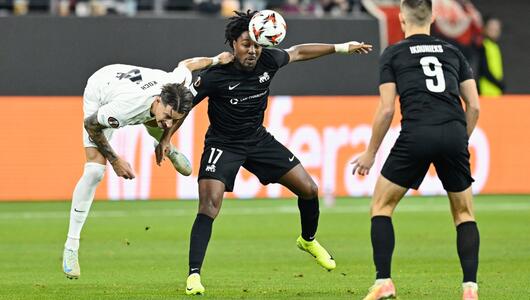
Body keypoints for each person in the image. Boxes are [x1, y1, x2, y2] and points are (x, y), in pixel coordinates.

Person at [181, 10, 373, 295]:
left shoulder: (269, 59)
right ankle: (194, 276)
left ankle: (307, 240)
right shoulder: (215, 76)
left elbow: (298, 52)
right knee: (209, 206)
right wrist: (165, 141)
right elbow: (182, 109)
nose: (253, 50)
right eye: (247, 44)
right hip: (223, 144)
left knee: (309, 188)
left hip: (258, 141)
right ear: (233, 43)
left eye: (257, 44)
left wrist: (342, 48)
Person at [62, 51, 234, 279]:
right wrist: (114, 160)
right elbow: (91, 125)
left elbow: (187, 64)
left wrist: (215, 60)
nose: (170, 122)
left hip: (136, 85)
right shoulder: (124, 109)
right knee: (94, 170)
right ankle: (71, 247)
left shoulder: (178, 85)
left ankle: (165, 146)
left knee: (159, 124)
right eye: (168, 114)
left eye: (175, 118)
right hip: (102, 90)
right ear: (158, 101)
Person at [351, 0, 480, 299]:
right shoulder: (453, 52)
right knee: (464, 214)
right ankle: (470, 289)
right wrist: (461, 138)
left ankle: (384, 281)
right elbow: (473, 105)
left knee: (381, 207)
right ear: (433, 17)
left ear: (401, 17)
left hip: (416, 133)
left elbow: (386, 110)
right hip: (452, 131)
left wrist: (370, 153)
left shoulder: (394, 53)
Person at [478, 16, 505, 96]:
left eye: (497, 28)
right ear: (485, 28)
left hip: (496, 91)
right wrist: (499, 84)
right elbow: (484, 69)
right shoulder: (482, 45)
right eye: (491, 27)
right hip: (485, 91)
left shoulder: (495, 46)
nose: (494, 30)